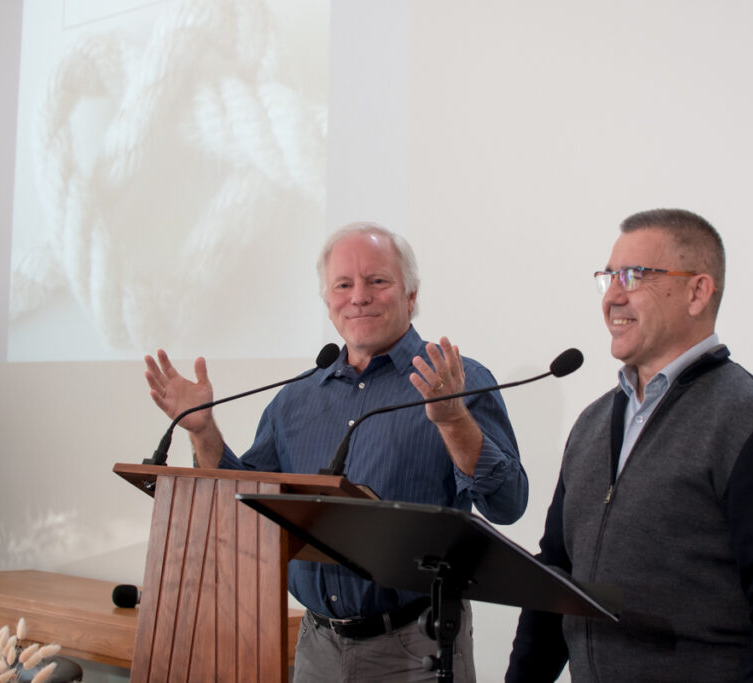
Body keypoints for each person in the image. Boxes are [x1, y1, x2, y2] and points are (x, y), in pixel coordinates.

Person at [145, 221, 527, 682]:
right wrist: (203, 431)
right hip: (317, 646)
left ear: (410, 295)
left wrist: (453, 421)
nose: (359, 297)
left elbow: (507, 504)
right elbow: (241, 505)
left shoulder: (456, 380)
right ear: (327, 300)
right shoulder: (296, 399)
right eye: (343, 284)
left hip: (417, 646)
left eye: (377, 281)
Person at [506, 209, 753, 682]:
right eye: (608, 277)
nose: (612, 297)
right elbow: (555, 578)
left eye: (634, 276)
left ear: (697, 292)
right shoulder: (592, 423)